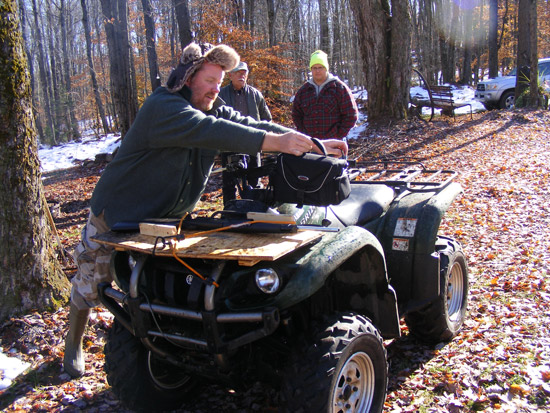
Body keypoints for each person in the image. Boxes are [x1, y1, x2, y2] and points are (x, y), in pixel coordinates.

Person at [63, 42, 348, 378]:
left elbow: (249, 124)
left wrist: (308, 141)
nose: (217, 88)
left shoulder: (210, 107)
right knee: (92, 282)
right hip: (118, 213)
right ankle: (73, 344)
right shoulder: (164, 107)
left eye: (220, 80)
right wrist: (279, 145)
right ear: (187, 78)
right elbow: (212, 132)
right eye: (211, 80)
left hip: (167, 220)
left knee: (154, 284)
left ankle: (163, 345)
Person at [219, 61, 271, 203]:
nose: (242, 76)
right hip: (229, 145)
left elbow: (266, 119)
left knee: (255, 181)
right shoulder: (221, 94)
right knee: (229, 183)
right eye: (238, 73)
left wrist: (265, 140)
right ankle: (229, 212)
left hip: (253, 144)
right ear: (230, 75)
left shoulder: (255, 95)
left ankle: (254, 211)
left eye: (244, 73)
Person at [292, 50, 358, 140]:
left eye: (320, 67)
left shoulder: (339, 88)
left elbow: (351, 114)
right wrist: (304, 133)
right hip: (310, 145)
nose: (317, 71)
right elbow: (296, 115)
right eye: (314, 68)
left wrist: (339, 135)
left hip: (334, 145)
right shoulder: (303, 91)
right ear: (311, 69)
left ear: (326, 68)